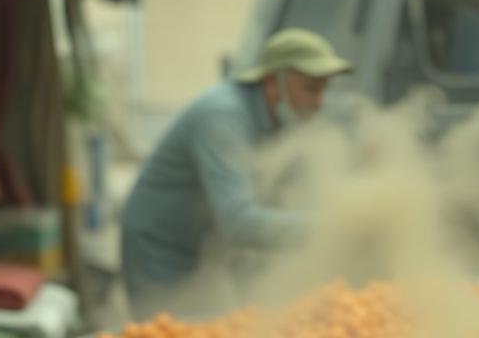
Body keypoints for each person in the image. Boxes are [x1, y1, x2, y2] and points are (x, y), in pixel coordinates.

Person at [121, 28, 351, 317]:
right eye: (311, 88)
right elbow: (239, 222)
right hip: (160, 248)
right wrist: (329, 230)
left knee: (220, 332)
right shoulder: (222, 118)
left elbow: (271, 203)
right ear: (272, 83)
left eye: (324, 90)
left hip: (205, 244)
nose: (319, 102)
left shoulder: (275, 119)